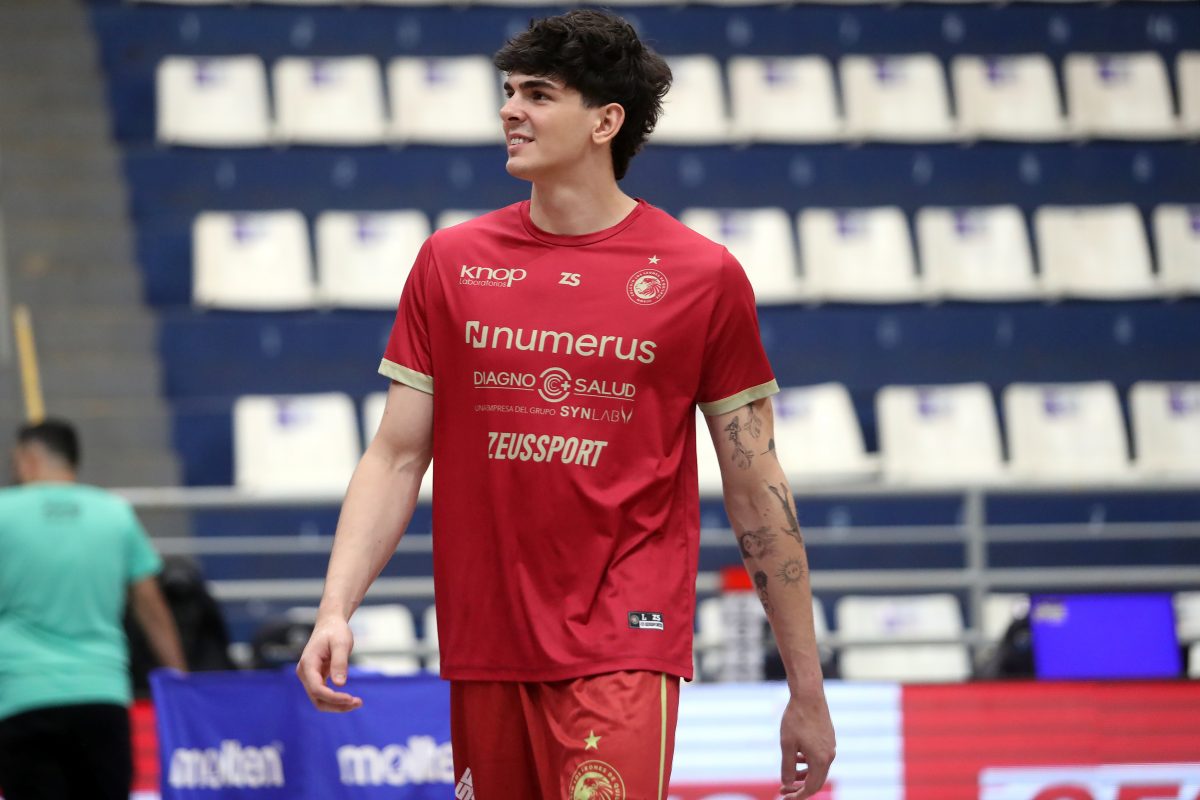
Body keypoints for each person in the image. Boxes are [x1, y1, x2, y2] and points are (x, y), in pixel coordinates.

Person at [296, 9, 836, 799]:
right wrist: (334, 609)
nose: (510, 110)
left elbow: (757, 487)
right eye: (509, 92)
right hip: (486, 643)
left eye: (538, 95)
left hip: (625, 639)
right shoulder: (449, 263)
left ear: (605, 122)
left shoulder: (703, 276)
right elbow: (397, 455)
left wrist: (806, 690)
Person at [0, 419, 187, 800]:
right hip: (103, 694)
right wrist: (180, 676)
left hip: (23, 695)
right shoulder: (115, 514)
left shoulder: (4, 512)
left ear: (27, 459)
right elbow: (151, 607)